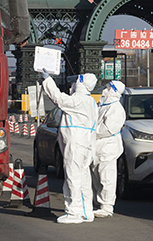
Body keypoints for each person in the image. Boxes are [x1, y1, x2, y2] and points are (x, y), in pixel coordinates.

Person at [40, 70, 98, 224]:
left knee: (72, 176)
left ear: (80, 84)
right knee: (84, 178)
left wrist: (47, 80)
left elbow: (58, 99)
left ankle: (74, 212)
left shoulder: (78, 100)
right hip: (86, 143)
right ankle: (86, 211)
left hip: (76, 142)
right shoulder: (91, 102)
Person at [92, 80, 126, 218]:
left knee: (107, 177)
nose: (105, 90)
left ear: (114, 91)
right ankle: (97, 203)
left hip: (108, 148)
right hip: (98, 147)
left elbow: (108, 128)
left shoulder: (116, 109)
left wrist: (91, 132)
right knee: (96, 176)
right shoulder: (103, 106)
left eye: (108, 88)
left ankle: (107, 206)